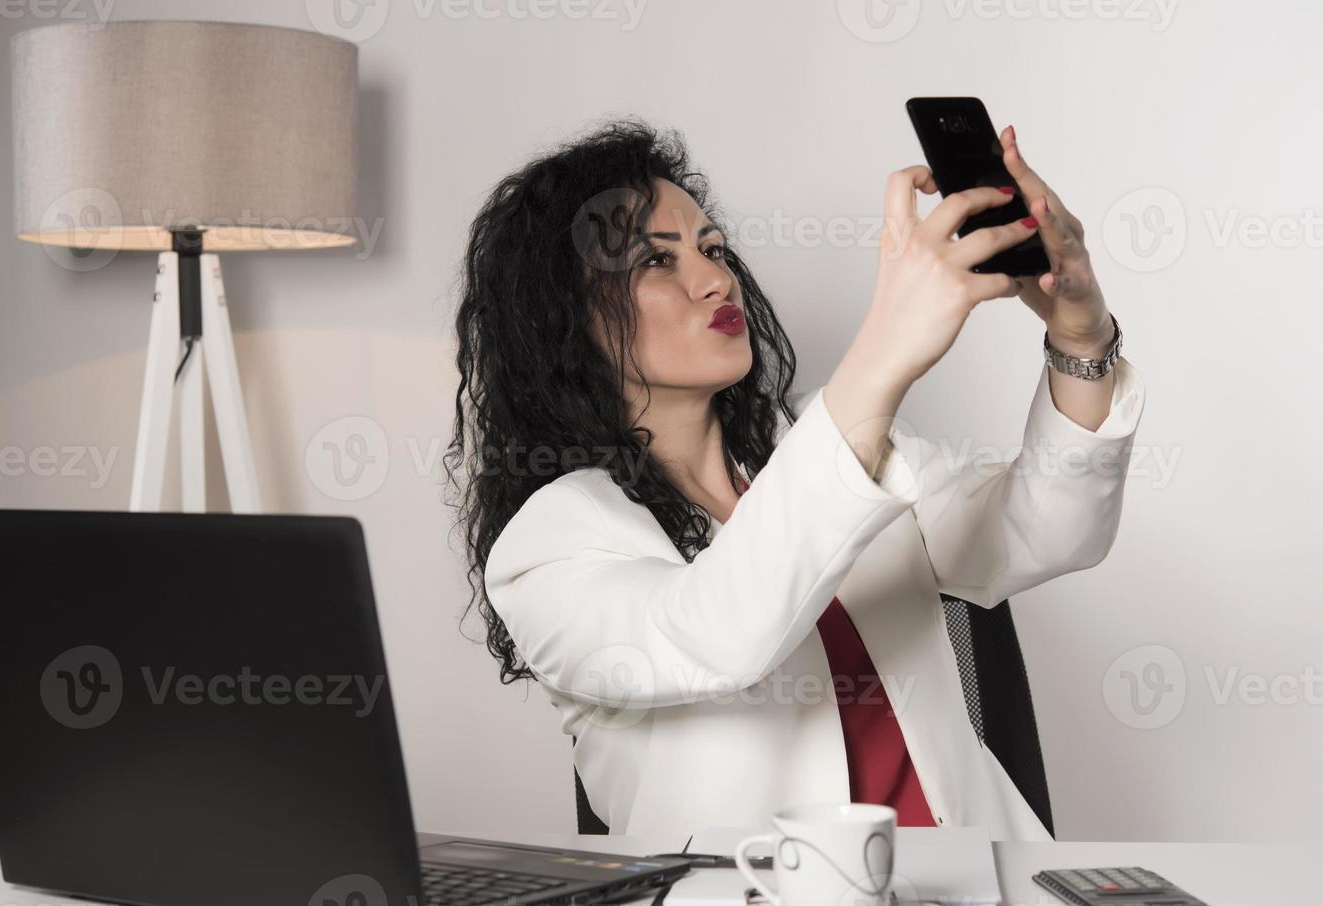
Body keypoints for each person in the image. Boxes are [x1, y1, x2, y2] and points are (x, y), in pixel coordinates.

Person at [444, 118, 1144, 840]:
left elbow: (1052, 530)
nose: (716, 279)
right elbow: (719, 636)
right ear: (567, 322)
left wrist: (1080, 336)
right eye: (655, 262)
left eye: (712, 249)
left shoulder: (834, 439)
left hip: (972, 901)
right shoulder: (547, 545)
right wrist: (886, 348)